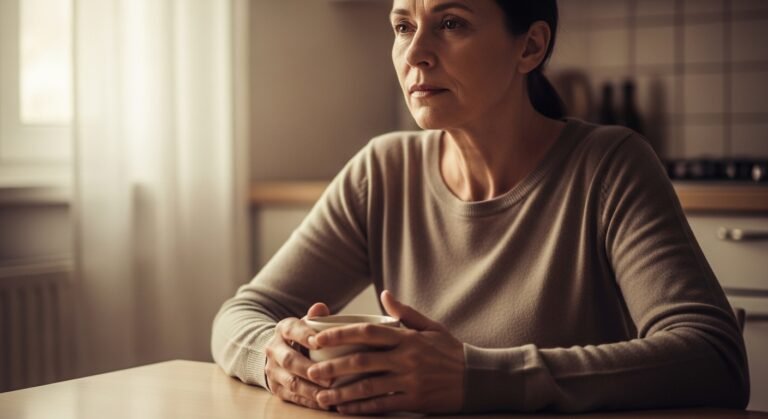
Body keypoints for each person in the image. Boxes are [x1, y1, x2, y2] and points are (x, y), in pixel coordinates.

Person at [211, 0, 750, 414]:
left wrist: (474, 376)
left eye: (451, 23)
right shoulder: (383, 169)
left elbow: (713, 357)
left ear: (530, 48)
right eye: (402, 26)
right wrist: (273, 360)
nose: (416, 53)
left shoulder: (609, 166)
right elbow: (240, 314)